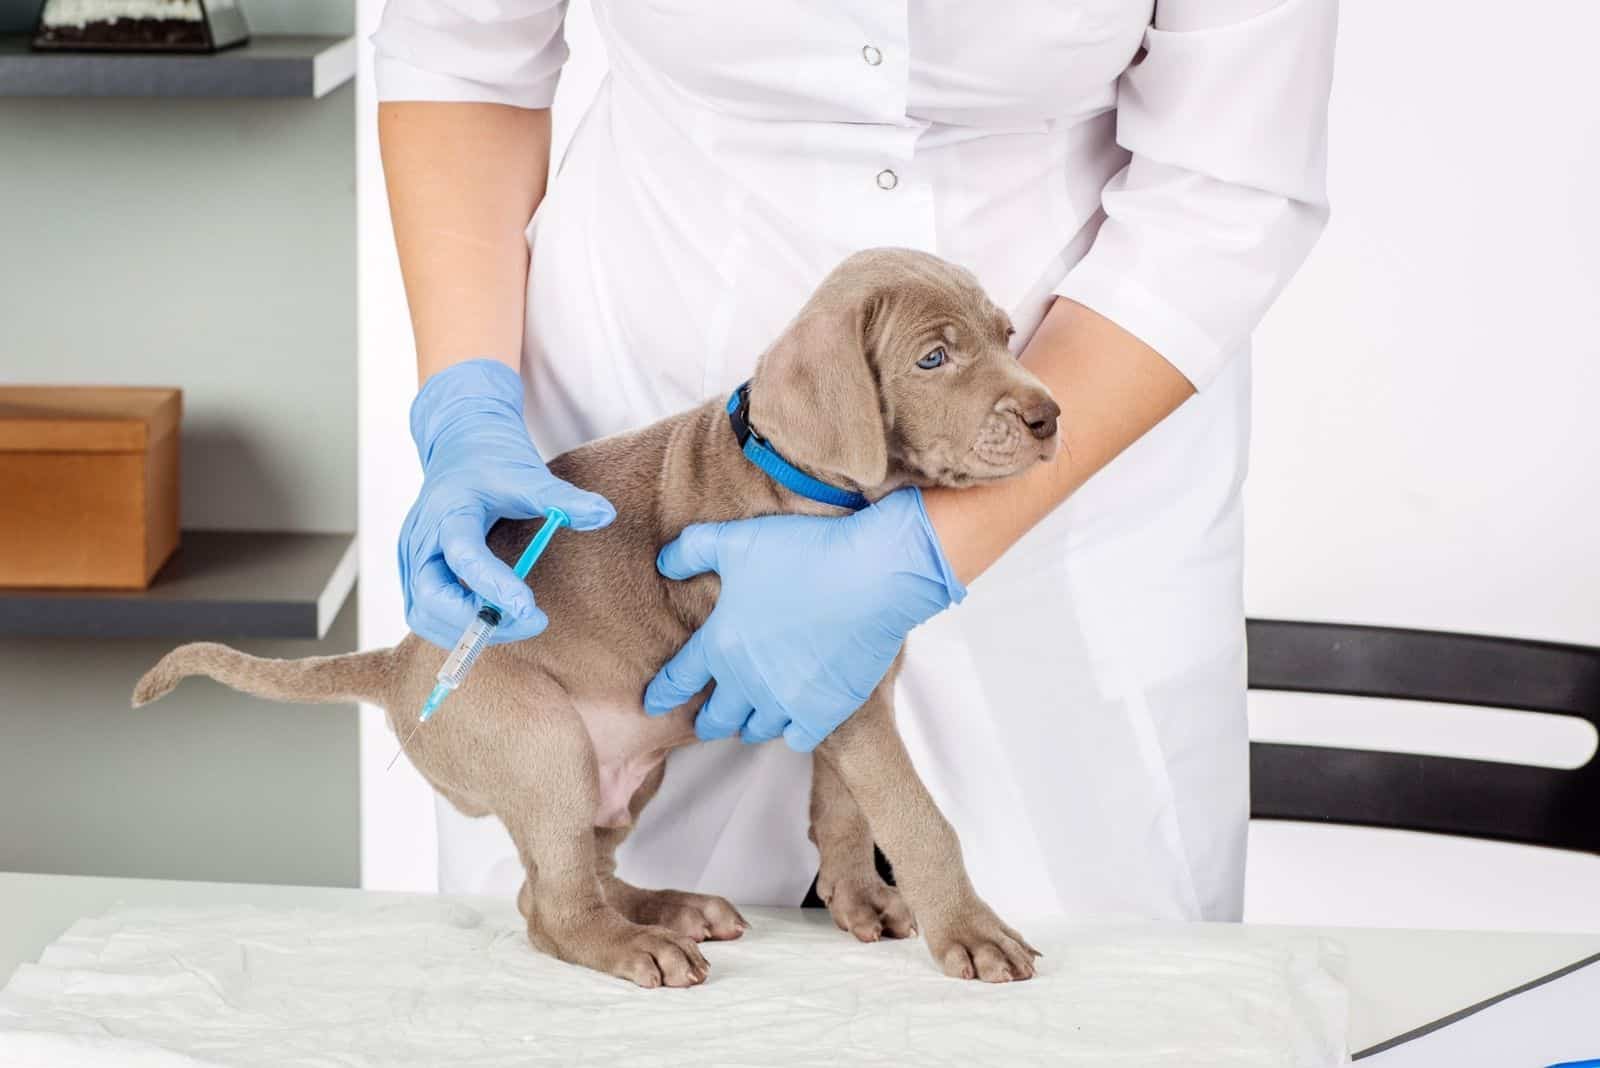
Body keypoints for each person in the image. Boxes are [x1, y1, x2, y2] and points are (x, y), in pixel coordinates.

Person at [373, 0, 1337, 923]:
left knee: (1096, 993)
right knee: (596, 977)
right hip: (639, 496)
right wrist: (468, 406)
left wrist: (923, 550)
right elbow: (466, 49)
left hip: (1073, 458)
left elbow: (1226, 182)